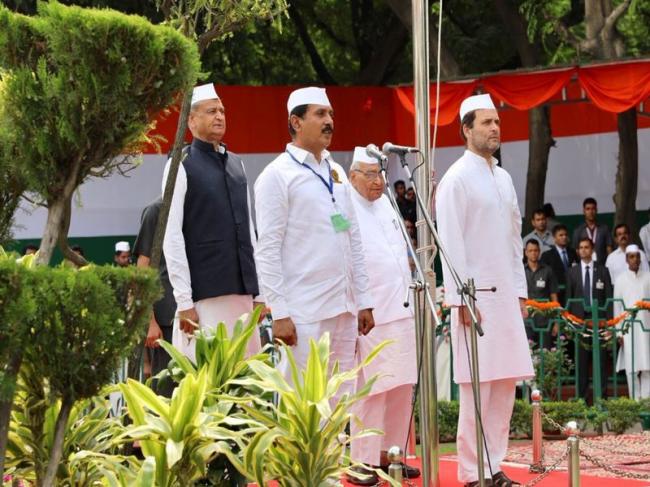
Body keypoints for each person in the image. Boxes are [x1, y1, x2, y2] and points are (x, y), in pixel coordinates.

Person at [436, 93, 533, 487]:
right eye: (486, 123)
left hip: (506, 295)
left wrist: (521, 291)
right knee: (477, 388)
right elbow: (450, 242)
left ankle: (495, 465)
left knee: (505, 384)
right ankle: (473, 472)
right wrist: (459, 298)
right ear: (466, 129)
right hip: (474, 299)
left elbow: (514, 240)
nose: (495, 128)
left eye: (497, 122)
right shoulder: (455, 179)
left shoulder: (504, 177)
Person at [254, 87, 374, 397]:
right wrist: (279, 312)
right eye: (320, 114)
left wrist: (364, 300)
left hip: (345, 310)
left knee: (340, 400)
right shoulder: (277, 175)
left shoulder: (335, 171)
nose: (329, 121)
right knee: (302, 402)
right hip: (304, 313)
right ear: (296, 122)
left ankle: (335, 450)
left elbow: (353, 238)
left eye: (331, 114)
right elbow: (267, 248)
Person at [162, 83, 263, 361]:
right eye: (210, 111)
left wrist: (261, 292)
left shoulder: (236, 164)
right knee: (207, 380)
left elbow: (250, 233)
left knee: (245, 382)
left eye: (222, 110)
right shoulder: (180, 164)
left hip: (243, 294)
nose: (219, 116)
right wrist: (184, 301)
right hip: (203, 299)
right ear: (191, 121)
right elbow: (171, 235)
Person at [346, 147, 419, 484]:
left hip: (401, 307)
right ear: (352, 176)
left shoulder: (387, 203)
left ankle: (391, 454)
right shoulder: (344, 207)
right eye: (370, 175)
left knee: (402, 386)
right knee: (371, 389)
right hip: (370, 312)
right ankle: (361, 461)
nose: (377, 182)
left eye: (380, 175)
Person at [133, 197, 176, 396]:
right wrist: (150, 321)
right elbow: (142, 269)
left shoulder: (197, 207)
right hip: (164, 319)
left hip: (193, 316)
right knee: (165, 387)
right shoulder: (156, 211)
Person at [565, 238, 613, 402]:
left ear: (592, 250)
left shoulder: (603, 270)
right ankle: (582, 400)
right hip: (579, 322)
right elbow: (568, 299)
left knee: (600, 361)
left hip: (598, 321)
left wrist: (609, 324)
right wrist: (569, 324)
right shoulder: (572, 272)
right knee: (582, 362)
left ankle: (602, 399)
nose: (584, 250)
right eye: (581, 247)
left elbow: (609, 298)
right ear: (578, 251)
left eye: (587, 247)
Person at [614, 245, 650, 399]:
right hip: (628, 329)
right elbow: (617, 306)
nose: (635, 259)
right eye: (631, 257)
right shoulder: (620, 279)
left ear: (640, 258)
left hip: (646, 326)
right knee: (632, 367)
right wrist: (619, 331)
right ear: (626, 259)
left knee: (647, 366)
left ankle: (647, 400)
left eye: (637, 256)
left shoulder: (648, 277)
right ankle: (635, 402)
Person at [524, 239, 558, 348]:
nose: (533, 253)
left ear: (539, 252)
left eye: (535, 250)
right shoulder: (521, 271)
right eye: (530, 251)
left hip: (545, 320)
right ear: (526, 252)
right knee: (528, 355)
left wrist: (557, 321)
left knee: (545, 354)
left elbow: (554, 296)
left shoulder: (548, 270)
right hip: (526, 320)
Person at [541, 224, 579, 305]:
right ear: (554, 238)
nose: (564, 237)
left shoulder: (573, 253)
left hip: (572, 293)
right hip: (555, 293)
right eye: (561, 235)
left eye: (565, 235)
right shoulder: (547, 255)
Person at [572, 197, 613, 265]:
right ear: (584, 211)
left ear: (596, 210)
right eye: (588, 209)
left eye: (593, 209)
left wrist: (610, 264)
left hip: (602, 266)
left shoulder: (604, 229)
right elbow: (576, 251)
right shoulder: (578, 230)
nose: (591, 212)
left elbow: (609, 249)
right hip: (585, 267)